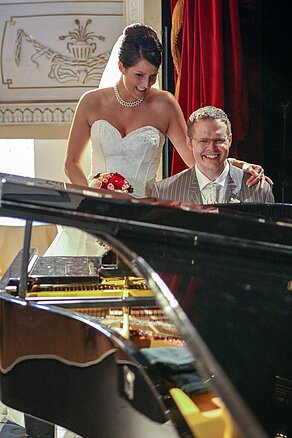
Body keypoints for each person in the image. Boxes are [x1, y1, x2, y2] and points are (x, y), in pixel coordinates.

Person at [64, 23, 267, 199]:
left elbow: (195, 157)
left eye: (152, 76)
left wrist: (241, 166)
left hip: (145, 211)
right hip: (96, 210)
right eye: (139, 75)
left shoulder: (165, 105)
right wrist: (91, 202)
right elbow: (71, 163)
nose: (146, 84)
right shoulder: (90, 102)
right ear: (121, 66)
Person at [151, 106, 274, 204]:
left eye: (219, 140)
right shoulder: (164, 192)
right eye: (204, 141)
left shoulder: (259, 189)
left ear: (229, 140)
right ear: (189, 142)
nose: (212, 148)